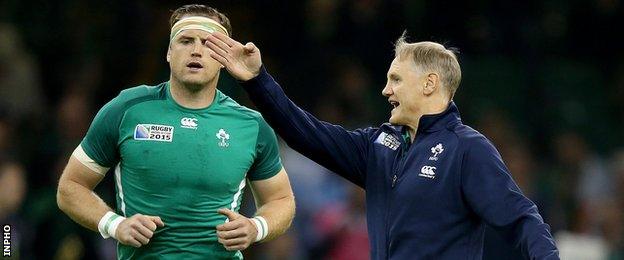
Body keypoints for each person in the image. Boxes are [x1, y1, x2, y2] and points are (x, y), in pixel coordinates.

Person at [204, 32, 560, 259]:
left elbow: (521, 219)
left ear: (429, 84)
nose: (385, 90)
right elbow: (306, 133)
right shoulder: (380, 145)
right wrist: (257, 81)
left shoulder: (468, 149)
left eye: (395, 79)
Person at [56, 4, 295, 259]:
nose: (196, 50)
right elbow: (70, 187)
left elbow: (281, 200)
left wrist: (256, 227)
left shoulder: (251, 125)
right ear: (169, 52)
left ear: (224, 59)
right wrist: (114, 224)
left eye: (208, 43)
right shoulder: (126, 110)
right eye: (185, 41)